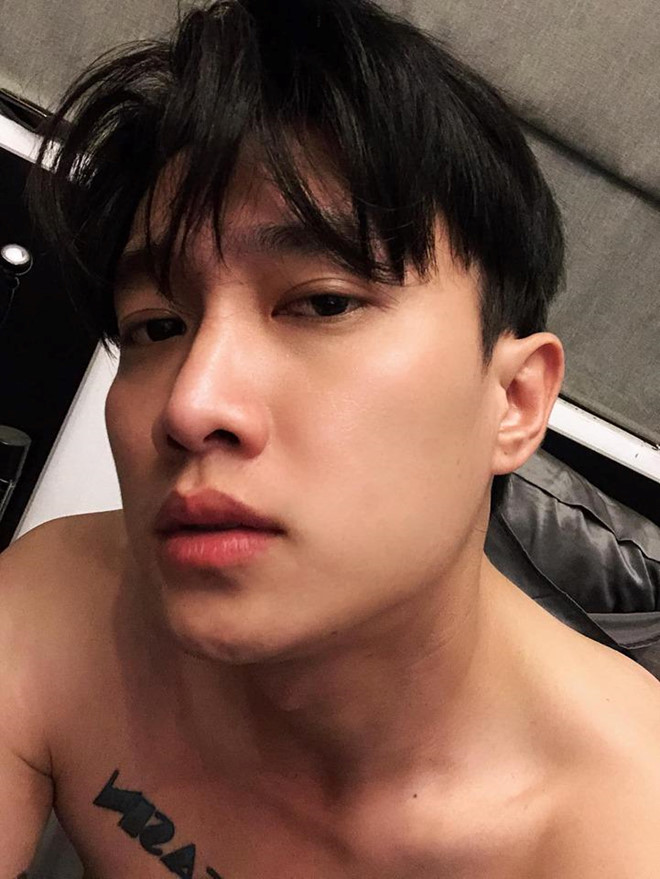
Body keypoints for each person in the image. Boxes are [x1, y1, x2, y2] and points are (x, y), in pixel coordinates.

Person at [3, 0, 660, 876]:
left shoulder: (625, 827)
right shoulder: (62, 610)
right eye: (156, 326)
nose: (192, 404)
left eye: (321, 303)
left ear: (513, 401)